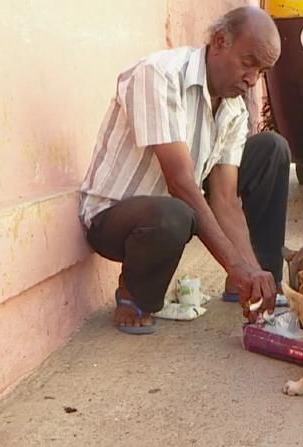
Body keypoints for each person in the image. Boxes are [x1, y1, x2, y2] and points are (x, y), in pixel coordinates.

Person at [78, 6, 290, 334]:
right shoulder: (158, 74)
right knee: (176, 210)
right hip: (115, 218)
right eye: (248, 64)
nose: (252, 80)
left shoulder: (233, 106)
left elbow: (224, 198)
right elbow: (179, 182)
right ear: (219, 41)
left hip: (176, 208)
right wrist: (235, 265)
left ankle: (261, 287)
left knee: (271, 149)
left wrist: (249, 272)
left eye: (262, 72)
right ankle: (133, 294)